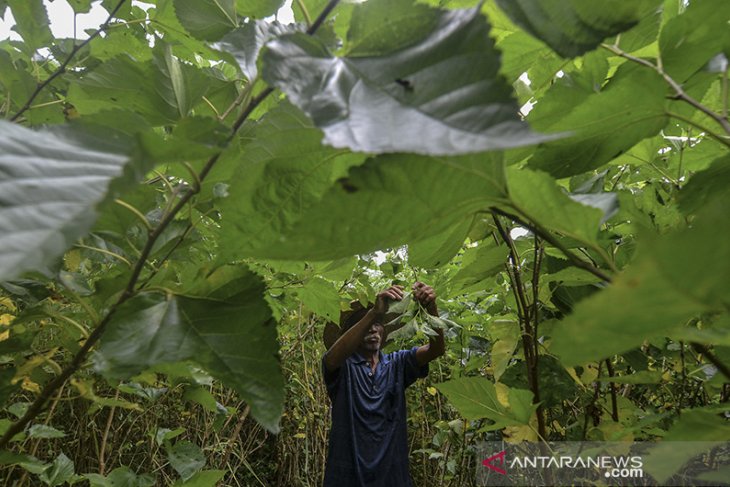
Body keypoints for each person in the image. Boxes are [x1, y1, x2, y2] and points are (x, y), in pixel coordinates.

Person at [322, 281, 446, 487]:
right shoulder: (343, 367)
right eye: (362, 324)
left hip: (392, 477)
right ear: (351, 333)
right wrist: (373, 312)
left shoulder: (398, 363)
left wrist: (430, 308)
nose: (372, 328)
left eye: (378, 323)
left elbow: (436, 349)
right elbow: (331, 359)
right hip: (345, 477)